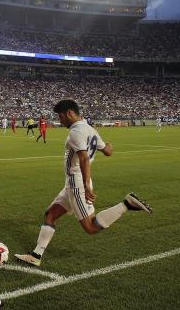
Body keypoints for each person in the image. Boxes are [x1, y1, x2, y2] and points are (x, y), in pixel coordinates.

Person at [14, 99, 152, 267]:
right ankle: (36, 255)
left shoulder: (76, 131)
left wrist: (86, 185)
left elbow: (84, 158)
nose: (60, 120)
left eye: (61, 116)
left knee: (90, 227)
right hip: (72, 183)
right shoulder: (90, 129)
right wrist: (108, 145)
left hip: (77, 184)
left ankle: (126, 205)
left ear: (70, 113)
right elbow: (108, 151)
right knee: (50, 214)